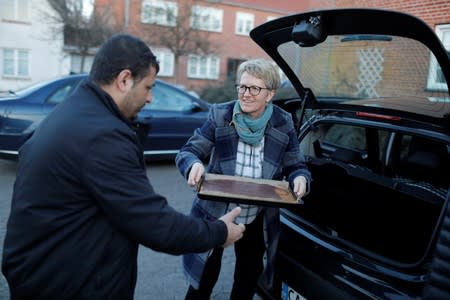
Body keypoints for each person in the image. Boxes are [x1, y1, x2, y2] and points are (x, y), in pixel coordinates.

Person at [1, 34, 245, 299]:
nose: (150, 98)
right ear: (124, 79)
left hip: (43, 270)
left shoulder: (73, 111)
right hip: (67, 284)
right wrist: (219, 232)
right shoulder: (103, 136)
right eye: (149, 87)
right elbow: (153, 222)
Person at [176, 58, 312, 300]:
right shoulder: (221, 115)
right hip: (216, 212)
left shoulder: (283, 122)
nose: (246, 94)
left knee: (247, 277)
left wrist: (300, 178)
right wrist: (193, 164)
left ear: (270, 94)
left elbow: (296, 165)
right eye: (242, 87)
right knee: (204, 277)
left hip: (257, 216)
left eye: (254, 89)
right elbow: (188, 152)